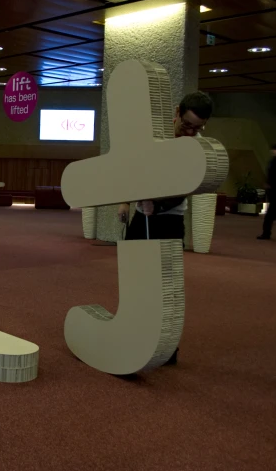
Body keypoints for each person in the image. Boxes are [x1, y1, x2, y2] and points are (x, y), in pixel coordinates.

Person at [117, 91, 213, 366]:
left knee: (164, 286)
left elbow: (185, 189)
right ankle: (133, 334)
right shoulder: (155, 137)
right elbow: (132, 169)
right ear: (177, 112)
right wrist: (125, 201)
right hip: (140, 219)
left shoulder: (197, 147)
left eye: (198, 127)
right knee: (135, 279)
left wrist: (156, 206)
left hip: (170, 221)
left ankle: (166, 346)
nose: (191, 131)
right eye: (187, 124)